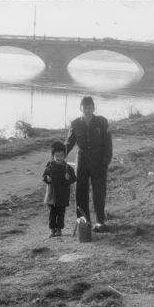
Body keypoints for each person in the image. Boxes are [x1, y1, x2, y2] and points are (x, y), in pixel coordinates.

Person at [65, 96, 113, 232]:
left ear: (94, 108)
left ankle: (100, 221)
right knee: (80, 192)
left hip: (99, 162)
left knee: (99, 192)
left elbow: (108, 145)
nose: (87, 110)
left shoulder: (102, 122)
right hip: (82, 163)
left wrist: (105, 163)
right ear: (81, 108)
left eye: (90, 107)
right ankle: (84, 222)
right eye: (85, 108)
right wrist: (58, 154)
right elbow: (69, 144)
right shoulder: (75, 124)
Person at [42, 141, 77, 238]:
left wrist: (68, 178)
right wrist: (47, 179)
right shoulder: (49, 166)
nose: (59, 158)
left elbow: (74, 179)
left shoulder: (68, 168)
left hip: (63, 195)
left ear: (64, 156)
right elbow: (44, 176)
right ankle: (52, 229)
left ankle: (59, 229)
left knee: (61, 213)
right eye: (57, 156)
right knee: (52, 213)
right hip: (52, 195)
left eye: (61, 156)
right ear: (53, 156)